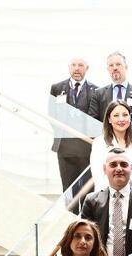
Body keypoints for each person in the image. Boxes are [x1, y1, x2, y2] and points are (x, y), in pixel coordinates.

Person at [49, 57, 97, 191]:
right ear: (69, 67)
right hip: (65, 147)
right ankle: (69, 213)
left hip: (87, 147)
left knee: (88, 189)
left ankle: (86, 213)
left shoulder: (96, 91)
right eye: (74, 65)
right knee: (68, 188)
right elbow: (52, 115)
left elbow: (97, 119)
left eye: (81, 65)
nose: (77, 68)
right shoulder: (57, 88)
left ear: (87, 68)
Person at [90, 101, 132, 191]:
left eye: (125, 115)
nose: (121, 119)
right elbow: (98, 175)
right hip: (107, 194)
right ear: (109, 119)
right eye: (116, 115)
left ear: (130, 117)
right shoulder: (99, 143)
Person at [88, 51, 132, 122]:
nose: (115, 68)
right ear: (108, 69)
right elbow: (92, 121)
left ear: (126, 67)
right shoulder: (98, 94)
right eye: (111, 65)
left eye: (118, 64)